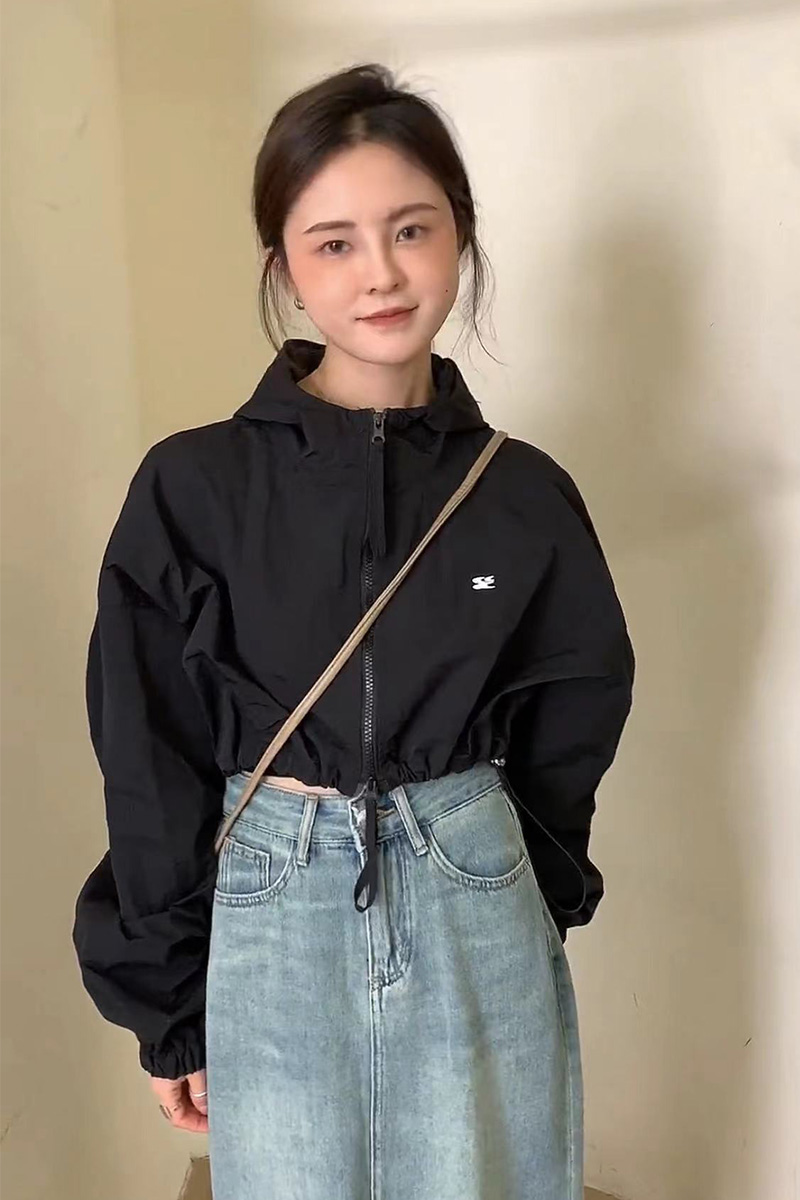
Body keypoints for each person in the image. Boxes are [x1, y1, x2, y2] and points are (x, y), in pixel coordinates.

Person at [72, 61, 635, 1200]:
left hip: (472, 884)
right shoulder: (193, 487)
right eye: (333, 243)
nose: (379, 272)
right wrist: (167, 1002)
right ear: (283, 266)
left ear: (459, 235)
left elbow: (571, 717)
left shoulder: (522, 495)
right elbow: (149, 752)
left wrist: (514, 878)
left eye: (410, 229)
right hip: (269, 897)